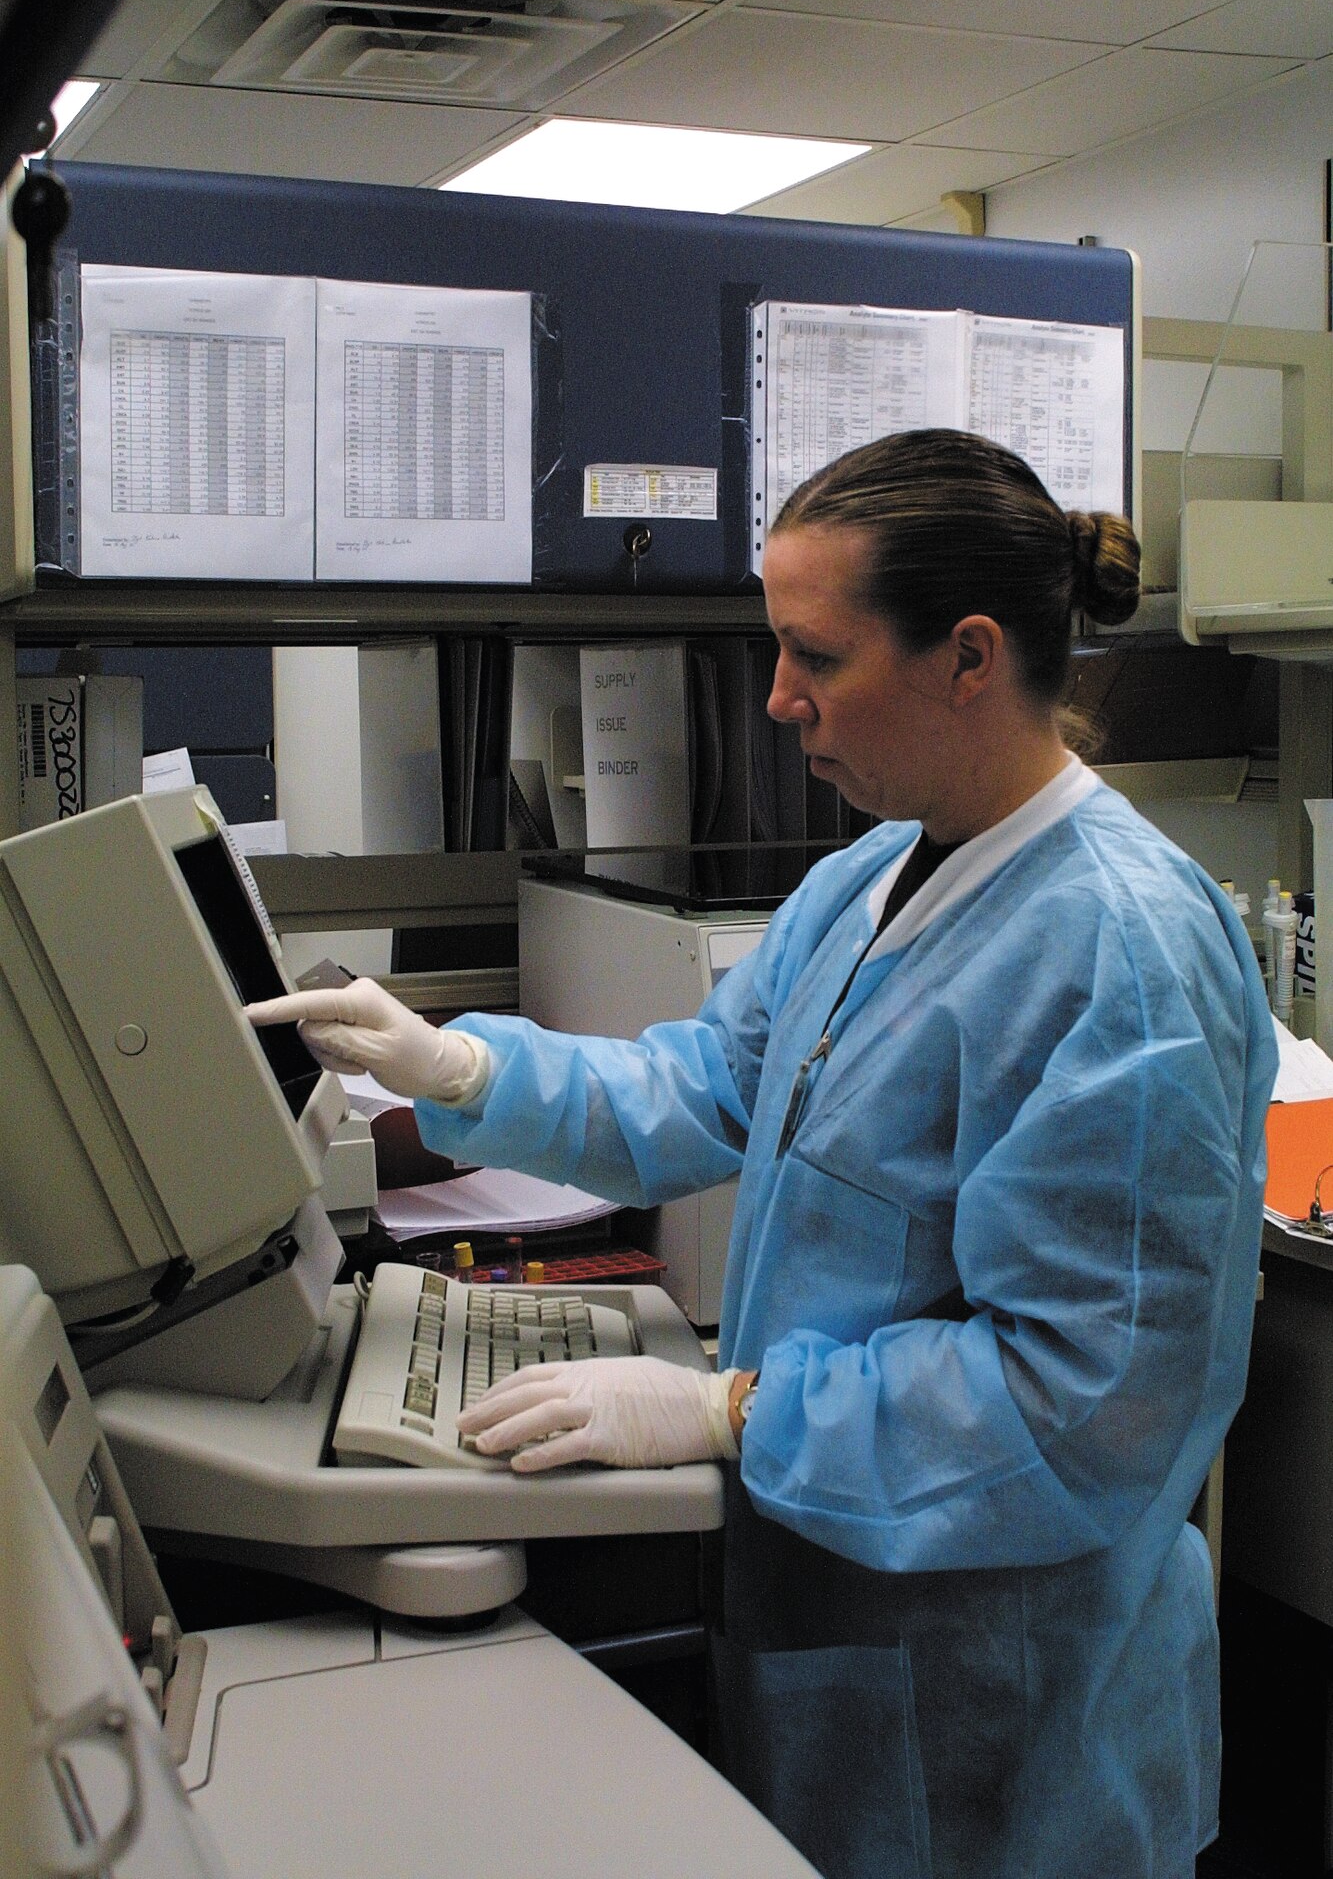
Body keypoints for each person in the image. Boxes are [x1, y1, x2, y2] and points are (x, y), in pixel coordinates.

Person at [249, 429, 1276, 1879]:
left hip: (1011, 1701)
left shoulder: (1118, 950)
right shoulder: (874, 870)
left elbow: (1081, 1404)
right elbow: (710, 1087)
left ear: (968, 657)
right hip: (850, 1628)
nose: (780, 697)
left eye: (815, 654)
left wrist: (731, 1410)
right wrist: (459, 1065)